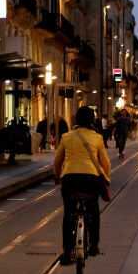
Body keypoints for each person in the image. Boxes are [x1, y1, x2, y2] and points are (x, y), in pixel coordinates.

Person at [54, 106, 111, 265]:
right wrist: (106, 178)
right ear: (92, 120)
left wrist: (58, 176)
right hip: (90, 179)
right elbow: (106, 163)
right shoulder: (97, 138)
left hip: (70, 179)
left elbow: (57, 161)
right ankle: (93, 245)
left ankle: (67, 251)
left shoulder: (66, 137)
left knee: (68, 213)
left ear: (76, 120)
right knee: (93, 210)